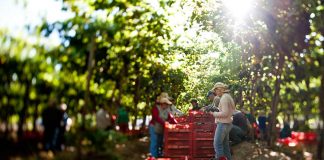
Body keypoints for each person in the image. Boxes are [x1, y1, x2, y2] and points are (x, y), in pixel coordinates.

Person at [209, 82, 235, 160]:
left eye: (216, 90)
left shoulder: (224, 98)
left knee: (217, 144)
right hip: (227, 123)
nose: (215, 92)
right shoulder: (228, 96)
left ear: (219, 89)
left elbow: (225, 113)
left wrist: (213, 113)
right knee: (225, 146)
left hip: (223, 124)